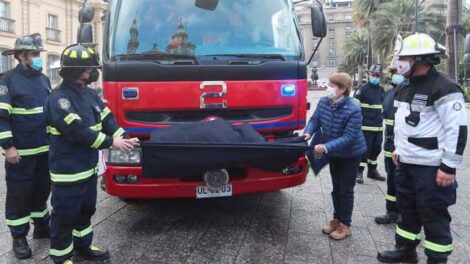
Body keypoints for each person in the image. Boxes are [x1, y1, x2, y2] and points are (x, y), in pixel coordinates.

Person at [44, 43, 139, 264]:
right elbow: (77, 132)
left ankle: (83, 247)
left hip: (87, 169)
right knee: (65, 215)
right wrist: (110, 142)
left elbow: (107, 119)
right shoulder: (59, 99)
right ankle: (61, 258)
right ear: (76, 71)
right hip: (68, 172)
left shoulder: (90, 94)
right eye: (87, 69)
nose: (91, 72)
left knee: (86, 210)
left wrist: (122, 137)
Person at [377, 33, 468, 264]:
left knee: (433, 216)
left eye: (404, 57)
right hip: (406, 163)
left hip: (432, 169)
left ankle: (437, 259)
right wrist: (398, 149)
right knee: (407, 211)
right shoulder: (405, 86)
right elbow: (401, 123)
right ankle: (405, 250)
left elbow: (457, 129)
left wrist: (448, 167)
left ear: (419, 59)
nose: (398, 61)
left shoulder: (445, 87)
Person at [0, 33, 51, 259]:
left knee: (42, 190)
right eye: (34, 54)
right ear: (21, 56)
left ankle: (41, 226)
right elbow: (1, 117)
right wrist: (8, 147)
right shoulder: (6, 80)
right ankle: (19, 237)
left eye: (39, 54)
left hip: (44, 150)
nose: (38, 58)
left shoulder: (43, 79)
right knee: (19, 195)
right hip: (20, 153)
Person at [303, 73, 366, 240]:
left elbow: (349, 137)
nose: (328, 88)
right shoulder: (325, 101)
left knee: (345, 189)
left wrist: (325, 147)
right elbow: (315, 120)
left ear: (343, 89)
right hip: (333, 152)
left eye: (332, 85)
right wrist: (308, 132)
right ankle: (336, 219)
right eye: (329, 84)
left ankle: (345, 224)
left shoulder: (353, 109)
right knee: (336, 187)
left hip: (350, 154)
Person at [374, 69, 405, 225]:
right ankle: (391, 212)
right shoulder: (388, 93)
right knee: (391, 179)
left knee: (403, 181)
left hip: (403, 145)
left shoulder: (409, 92)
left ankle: (404, 214)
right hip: (389, 143)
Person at [354, 64, 386, 184]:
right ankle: (359, 172)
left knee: (376, 149)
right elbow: (354, 108)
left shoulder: (382, 90)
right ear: (368, 75)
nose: (375, 77)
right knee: (364, 151)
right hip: (364, 127)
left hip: (378, 127)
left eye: (378, 76)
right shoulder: (362, 89)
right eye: (373, 75)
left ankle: (372, 170)